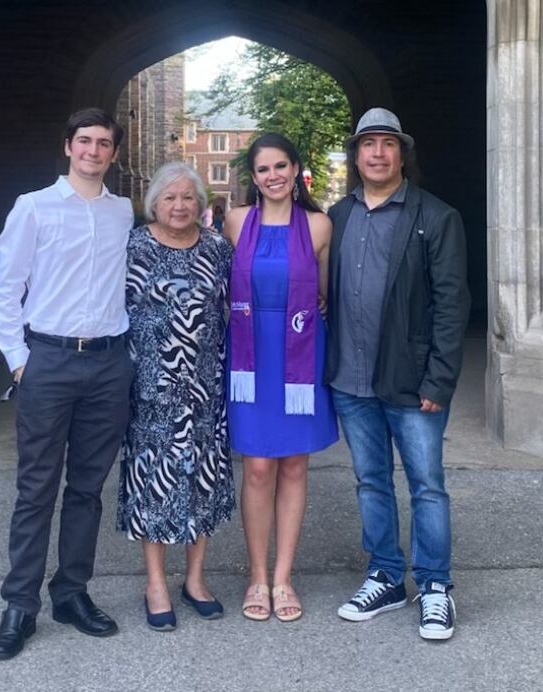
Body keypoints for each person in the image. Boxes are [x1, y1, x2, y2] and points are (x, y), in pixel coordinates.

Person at [0, 108, 133, 660]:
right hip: (47, 362)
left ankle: (71, 593)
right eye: (85, 141)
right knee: (35, 490)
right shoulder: (34, 207)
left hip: (108, 365)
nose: (94, 151)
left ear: (114, 154)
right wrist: (19, 361)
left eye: (103, 144)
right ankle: (20, 604)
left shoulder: (122, 212)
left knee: (88, 490)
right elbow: (6, 290)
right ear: (68, 146)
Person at [325, 107, 470, 640]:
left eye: (388, 144)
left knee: (427, 486)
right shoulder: (337, 217)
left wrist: (440, 379)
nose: (378, 153)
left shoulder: (436, 216)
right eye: (369, 144)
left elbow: (452, 304)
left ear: (401, 153)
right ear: (356, 154)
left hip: (412, 382)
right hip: (351, 380)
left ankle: (435, 586)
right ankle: (385, 575)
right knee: (371, 482)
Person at [225, 133, 339, 622]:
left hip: (297, 355)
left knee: (293, 466)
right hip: (250, 357)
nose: (272, 176)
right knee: (256, 468)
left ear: (296, 170)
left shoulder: (318, 226)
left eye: (280, 167)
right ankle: (256, 575)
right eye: (262, 169)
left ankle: (283, 578)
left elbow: (325, 296)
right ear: (253, 178)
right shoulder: (234, 222)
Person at [117, 161, 235, 631]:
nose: (180, 205)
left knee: (201, 481)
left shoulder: (219, 250)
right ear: (154, 204)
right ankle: (156, 583)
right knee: (154, 483)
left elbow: (235, 308)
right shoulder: (134, 246)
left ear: (200, 203)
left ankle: (196, 579)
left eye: (188, 197)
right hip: (150, 388)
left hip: (205, 389)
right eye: (170, 197)